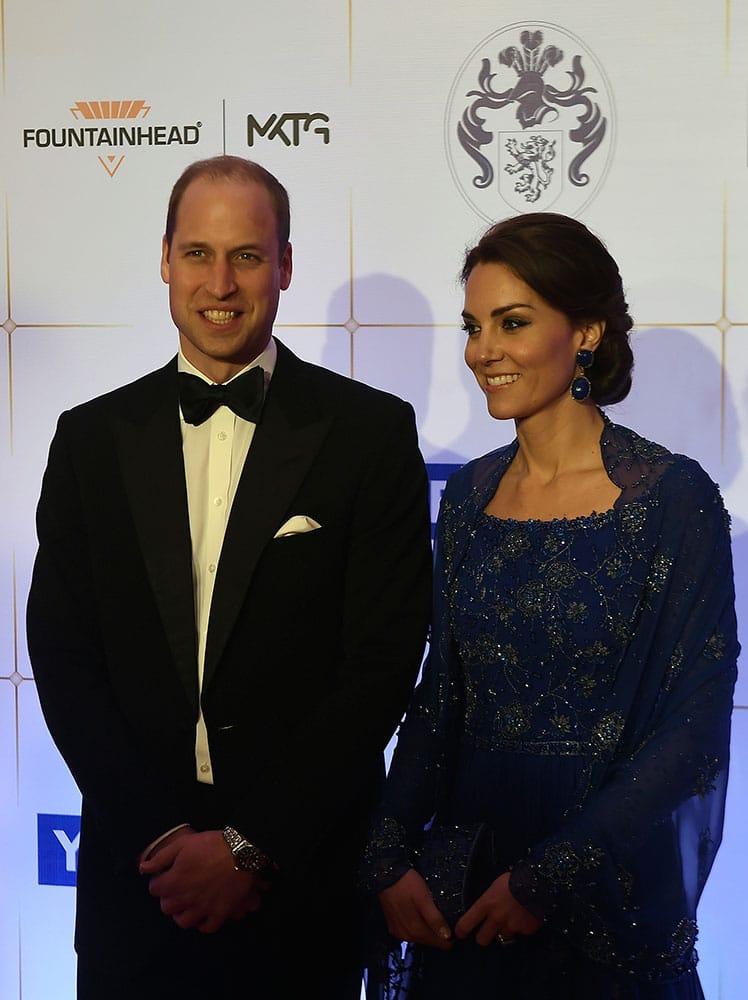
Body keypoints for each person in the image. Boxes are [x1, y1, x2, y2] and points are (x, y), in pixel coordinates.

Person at [27, 155, 432, 1000]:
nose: (221, 281)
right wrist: (165, 838)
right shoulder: (88, 439)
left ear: (284, 266)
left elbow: (382, 664)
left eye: (247, 255)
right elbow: (64, 659)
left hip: (302, 889)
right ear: (165, 258)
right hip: (139, 887)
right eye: (200, 253)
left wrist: (253, 846)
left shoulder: (369, 435)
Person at [362, 213, 739, 998]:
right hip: (465, 893)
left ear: (588, 331)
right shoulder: (467, 497)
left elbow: (694, 728)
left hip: (604, 894)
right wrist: (389, 852)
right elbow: (441, 700)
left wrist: (547, 877)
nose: (482, 351)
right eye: (473, 326)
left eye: (513, 322)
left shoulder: (673, 500)